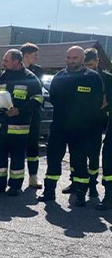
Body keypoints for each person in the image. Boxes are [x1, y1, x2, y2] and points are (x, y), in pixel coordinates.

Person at [38, 46, 105, 207]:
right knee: (53, 159)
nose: (71, 61)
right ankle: (49, 192)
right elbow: (53, 98)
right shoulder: (60, 76)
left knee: (79, 161)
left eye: (75, 58)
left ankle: (81, 194)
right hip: (59, 126)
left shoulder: (93, 78)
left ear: (82, 59)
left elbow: (98, 102)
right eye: (68, 58)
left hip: (82, 129)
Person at [0, 49, 42, 197]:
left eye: (6, 60)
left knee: (17, 159)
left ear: (16, 61)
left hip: (19, 128)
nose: (3, 63)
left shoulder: (30, 78)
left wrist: (20, 110)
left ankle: (15, 186)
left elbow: (38, 99)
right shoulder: (0, 77)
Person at [83, 48, 112, 207]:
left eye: (91, 64)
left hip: (101, 121)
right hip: (84, 121)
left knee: (101, 156)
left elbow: (107, 102)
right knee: (105, 158)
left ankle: (106, 194)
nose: (89, 68)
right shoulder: (82, 77)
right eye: (86, 65)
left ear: (97, 62)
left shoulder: (108, 79)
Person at [20, 43, 44, 188]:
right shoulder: (15, 69)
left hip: (33, 114)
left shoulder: (38, 70)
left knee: (33, 146)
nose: (37, 57)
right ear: (26, 55)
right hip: (18, 114)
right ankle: (16, 178)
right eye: (35, 55)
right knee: (17, 147)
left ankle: (33, 177)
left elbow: (38, 91)